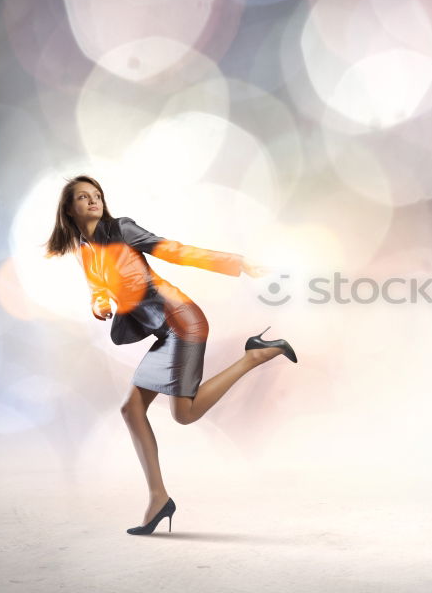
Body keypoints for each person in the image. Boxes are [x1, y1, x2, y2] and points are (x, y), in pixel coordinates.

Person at [44, 175, 297, 535]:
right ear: (69, 208)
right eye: (83, 197)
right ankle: (158, 498)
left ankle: (253, 357)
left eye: (97, 195)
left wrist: (237, 262)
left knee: (184, 414)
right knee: (132, 409)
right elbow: (99, 287)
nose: (93, 201)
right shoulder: (85, 249)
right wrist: (100, 304)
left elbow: (174, 250)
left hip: (181, 321)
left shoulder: (121, 229)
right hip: (164, 329)